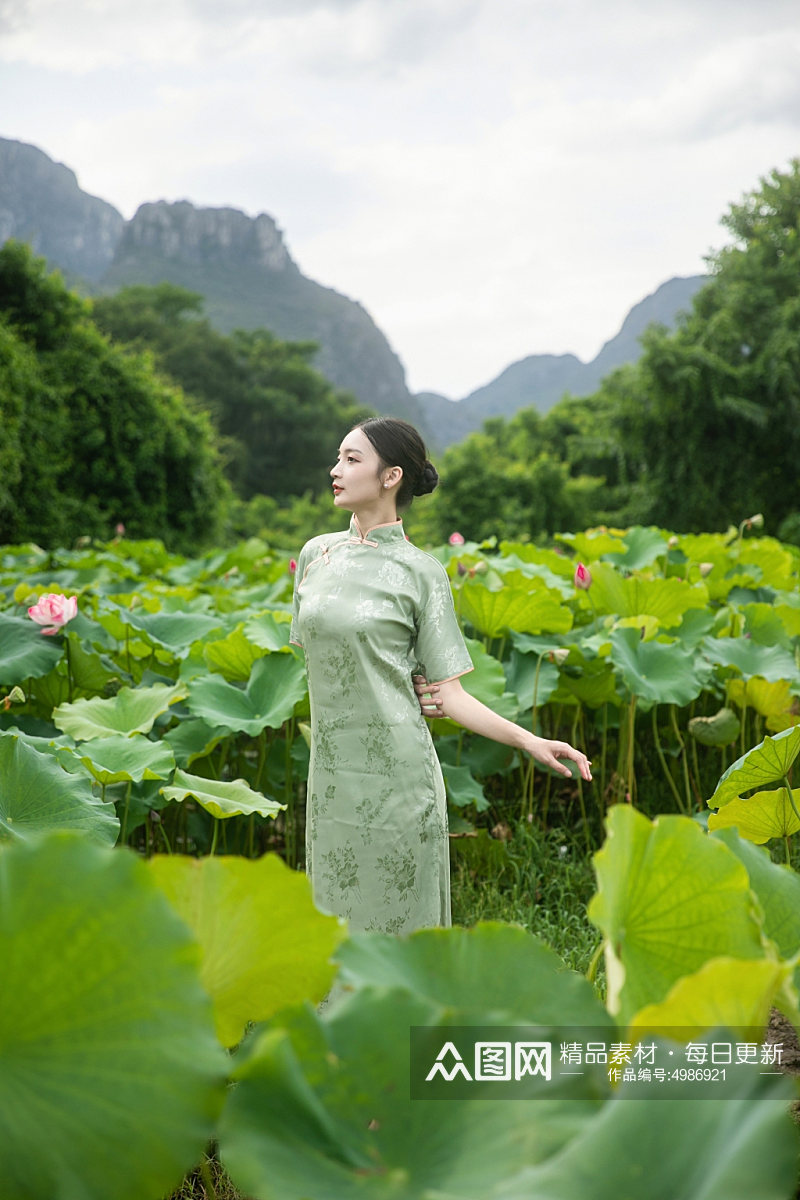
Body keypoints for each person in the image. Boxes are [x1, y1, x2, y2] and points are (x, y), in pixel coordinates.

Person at [290, 417, 591, 934]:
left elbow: (450, 694)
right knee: (334, 927)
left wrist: (530, 740)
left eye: (352, 459)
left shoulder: (421, 572)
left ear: (391, 476)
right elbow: (325, 660)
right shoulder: (316, 555)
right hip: (333, 778)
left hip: (399, 779)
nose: (335, 470)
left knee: (400, 929)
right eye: (338, 458)